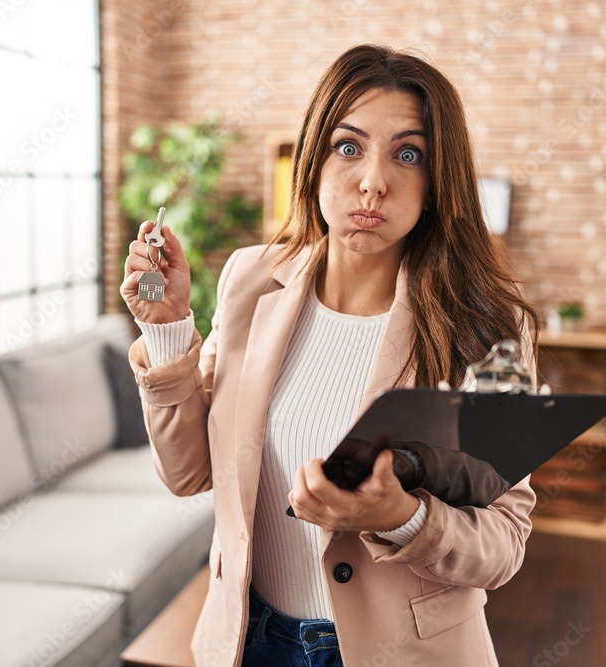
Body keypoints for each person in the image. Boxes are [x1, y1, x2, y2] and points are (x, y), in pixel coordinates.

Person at [121, 43, 540, 667]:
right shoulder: (249, 280)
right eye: (348, 147)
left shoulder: (488, 328)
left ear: (436, 181)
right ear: (313, 162)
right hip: (248, 640)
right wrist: (167, 329)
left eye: (408, 154)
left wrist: (402, 516)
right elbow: (187, 473)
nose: (373, 181)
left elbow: (504, 543)